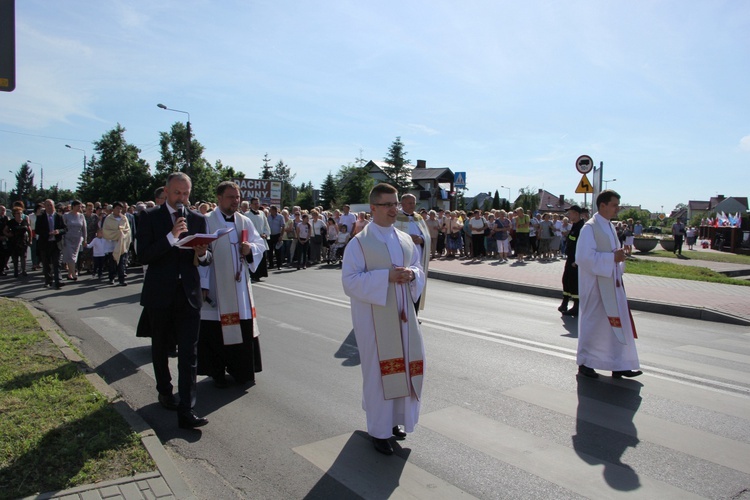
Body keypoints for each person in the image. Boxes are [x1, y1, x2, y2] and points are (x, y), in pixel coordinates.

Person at [342, 183, 426, 456]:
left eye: (396, 204)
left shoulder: (403, 239)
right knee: (380, 373)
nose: (394, 209)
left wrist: (412, 275)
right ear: (373, 208)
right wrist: (386, 278)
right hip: (375, 321)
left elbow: (416, 267)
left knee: (405, 366)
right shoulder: (359, 243)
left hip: (403, 318)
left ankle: (395, 421)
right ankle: (379, 430)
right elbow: (350, 282)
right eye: (388, 205)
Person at [136, 172, 213, 429]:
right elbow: (144, 255)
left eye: (186, 193)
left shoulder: (198, 219)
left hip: (188, 295)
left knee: (189, 353)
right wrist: (171, 237)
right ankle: (165, 390)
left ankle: (187, 409)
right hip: (160, 295)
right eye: (177, 193)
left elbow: (207, 258)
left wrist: (202, 254)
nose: (182, 198)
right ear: (166, 192)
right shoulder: (148, 217)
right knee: (160, 346)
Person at [198, 182, 265, 388]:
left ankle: (242, 371)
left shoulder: (244, 221)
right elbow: (201, 253)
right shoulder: (207, 221)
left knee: (241, 329)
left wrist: (250, 249)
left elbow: (260, 244)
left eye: (237, 197)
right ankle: (216, 372)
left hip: (239, 288)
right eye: (230, 197)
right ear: (219, 198)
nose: (235, 201)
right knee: (215, 332)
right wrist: (202, 276)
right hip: (217, 286)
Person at [576, 190, 642, 379]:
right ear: (602, 205)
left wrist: (617, 259)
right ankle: (586, 362)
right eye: (614, 204)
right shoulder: (590, 228)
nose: (617, 208)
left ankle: (619, 364)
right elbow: (583, 257)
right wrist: (612, 257)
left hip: (612, 284)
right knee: (594, 324)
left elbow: (613, 254)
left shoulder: (609, 227)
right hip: (595, 286)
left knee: (616, 324)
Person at [394, 194, 431, 312]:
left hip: (418, 257)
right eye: (410, 203)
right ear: (402, 204)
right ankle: (402, 313)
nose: (413, 205)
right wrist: (407, 238)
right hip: (403, 258)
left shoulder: (418, 218)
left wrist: (421, 239)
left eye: (414, 202)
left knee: (417, 284)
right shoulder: (395, 217)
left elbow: (427, 236)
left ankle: (414, 314)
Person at [35, 199, 67, 289]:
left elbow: (65, 229)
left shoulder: (59, 217)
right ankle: (48, 281)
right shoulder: (41, 217)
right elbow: (37, 230)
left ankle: (58, 281)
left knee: (57, 263)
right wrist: (47, 233)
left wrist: (58, 231)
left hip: (56, 243)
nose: (49, 207)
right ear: (45, 207)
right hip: (45, 243)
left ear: (54, 206)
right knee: (46, 264)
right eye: (47, 205)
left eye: (51, 205)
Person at [558, 205, 584, 316]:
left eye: (571, 213)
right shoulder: (574, 226)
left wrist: (577, 261)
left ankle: (577, 307)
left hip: (576, 261)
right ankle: (565, 302)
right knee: (566, 280)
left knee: (574, 283)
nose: (569, 215)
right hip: (570, 258)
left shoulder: (582, 227)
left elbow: (582, 245)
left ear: (576, 214)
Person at [102, 201, 132, 286]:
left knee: (121, 261)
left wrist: (122, 234)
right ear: (113, 209)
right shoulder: (108, 218)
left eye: (120, 208)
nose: (119, 210)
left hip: (121, 243)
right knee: (113, 261)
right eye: (117, 208)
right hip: (112, 243)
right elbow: (106, 230)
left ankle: (121, 279)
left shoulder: (124, 218)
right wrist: (117, 234)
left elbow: (127, 230)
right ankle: (111, 277)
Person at [245, 197, 270, 282]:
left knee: (262, 257)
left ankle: (260, 274)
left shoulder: (262, 213)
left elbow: (266, 225)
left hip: (262, 239)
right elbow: (246, 228)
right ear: (251, 205)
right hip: (252, 240)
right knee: (254, 257)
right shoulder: (247, 215)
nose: (256, 205)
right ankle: (253, 275)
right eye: (254, 203)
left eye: (257, 203)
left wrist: (265, 234)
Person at [62, 200, 86, 281]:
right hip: (68, 238)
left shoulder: (81, 216)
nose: (79, 208)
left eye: (80, 206)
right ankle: (73, 273)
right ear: (73, 206)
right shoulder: (66, 215)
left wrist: (85, 239)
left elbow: (84, 228)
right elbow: (62, 227)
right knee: (70, 256)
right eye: (78, 206)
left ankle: (69, 274)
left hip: (77, 239)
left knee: (74, 257)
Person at [4, 207, 31, 277]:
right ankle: (16, 270)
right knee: (15, 257)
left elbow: (29, 230)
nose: (19, 214)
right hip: (14, 241)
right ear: (14, 214)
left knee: (23, 256)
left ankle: (24, 270)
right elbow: (5, 230)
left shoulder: (24, 221)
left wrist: (30, 239)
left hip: (23, 241)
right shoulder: (11, 222)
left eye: (21, 213)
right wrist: (8, 235)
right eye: (18, 213)